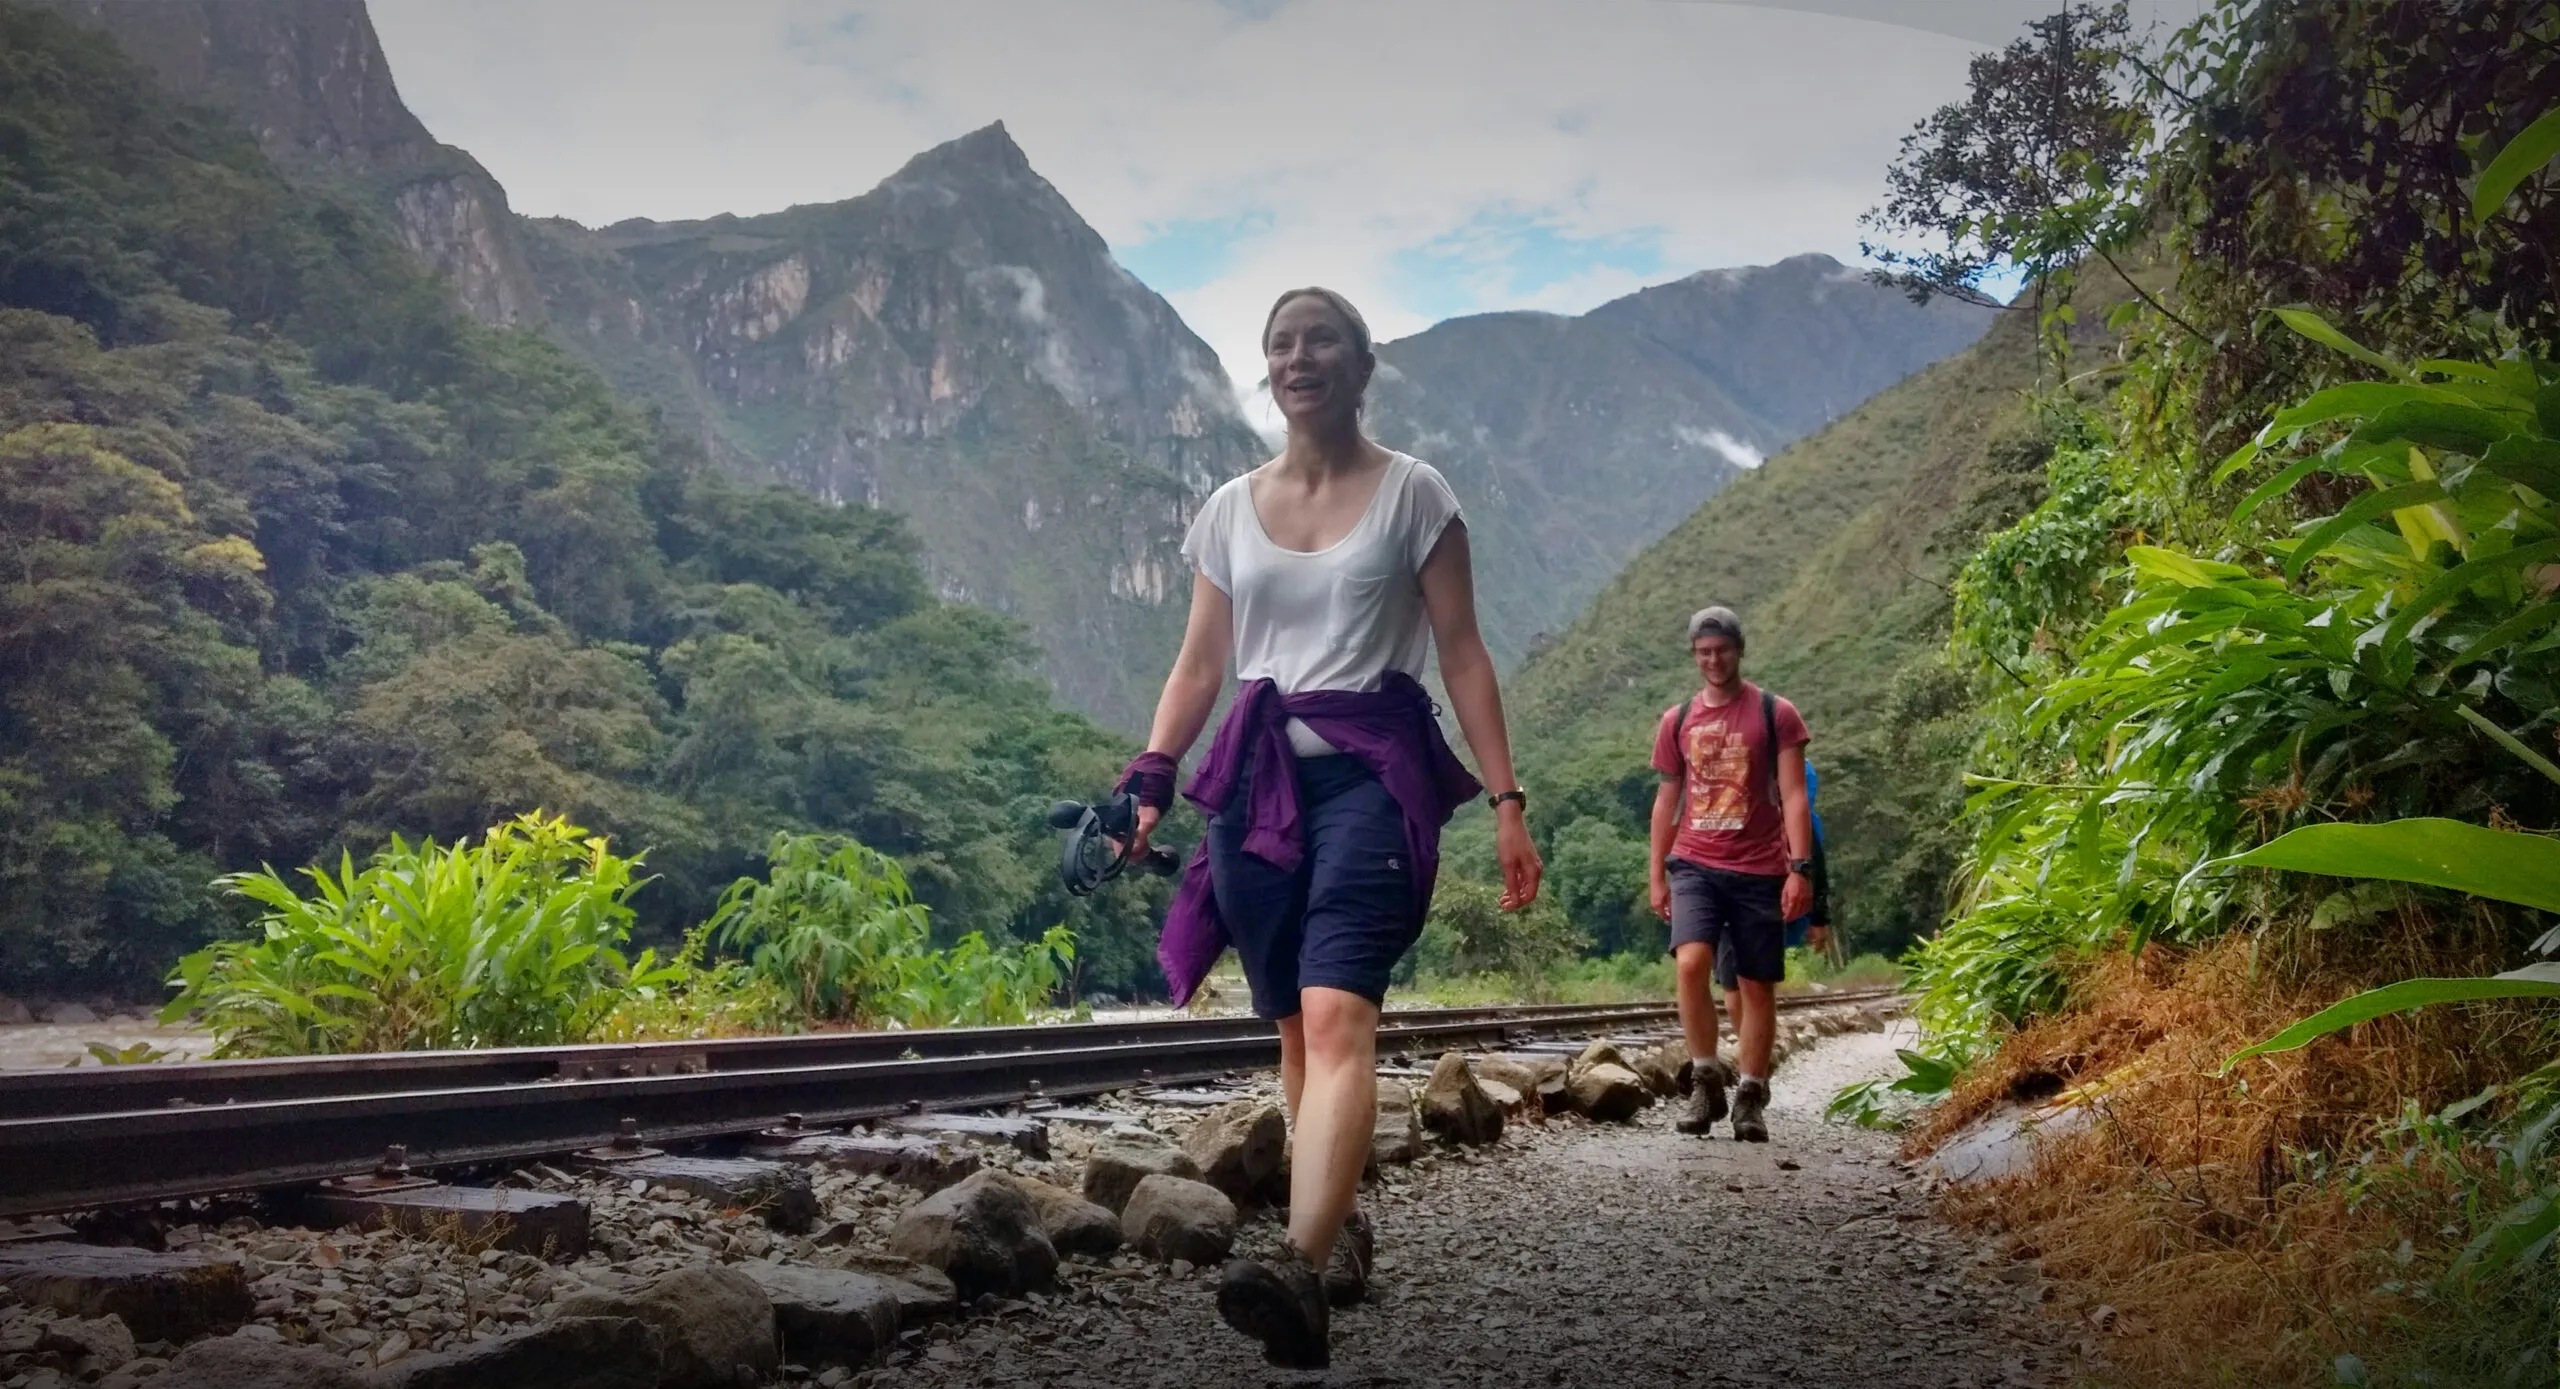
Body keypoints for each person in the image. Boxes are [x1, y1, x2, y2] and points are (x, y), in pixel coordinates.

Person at [1116, 286, 1542, 1369]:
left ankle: (1296, 1267)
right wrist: (1151, 774)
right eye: (1281, 343)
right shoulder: (1228, 509)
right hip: (1258, 788)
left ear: (1361, 364)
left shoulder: (1415, 495)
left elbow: (1462, 654)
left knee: (1339, 1010)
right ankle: (1337, 1223)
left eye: (1321, 340)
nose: (1299, 357)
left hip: (1372, 780)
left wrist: (1506, 801)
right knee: (1297, 1030)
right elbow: (1200, 664)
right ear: (1267, 368)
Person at [1644, 606, 1820, 1142]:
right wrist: (1657, 875)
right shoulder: (1677, 721)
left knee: (1755, 984)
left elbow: (1794, 795)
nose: (1713, 660)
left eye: (1721, 650)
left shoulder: (1775, 713)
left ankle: (1750, 1096)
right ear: (1694, 656)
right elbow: (1666, 802)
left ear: (1739, 650)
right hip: (1695, 862)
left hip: (1759, 866)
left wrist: (1799, 869)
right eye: (1704, 652)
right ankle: (1705, 1081)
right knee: (1691, 962)